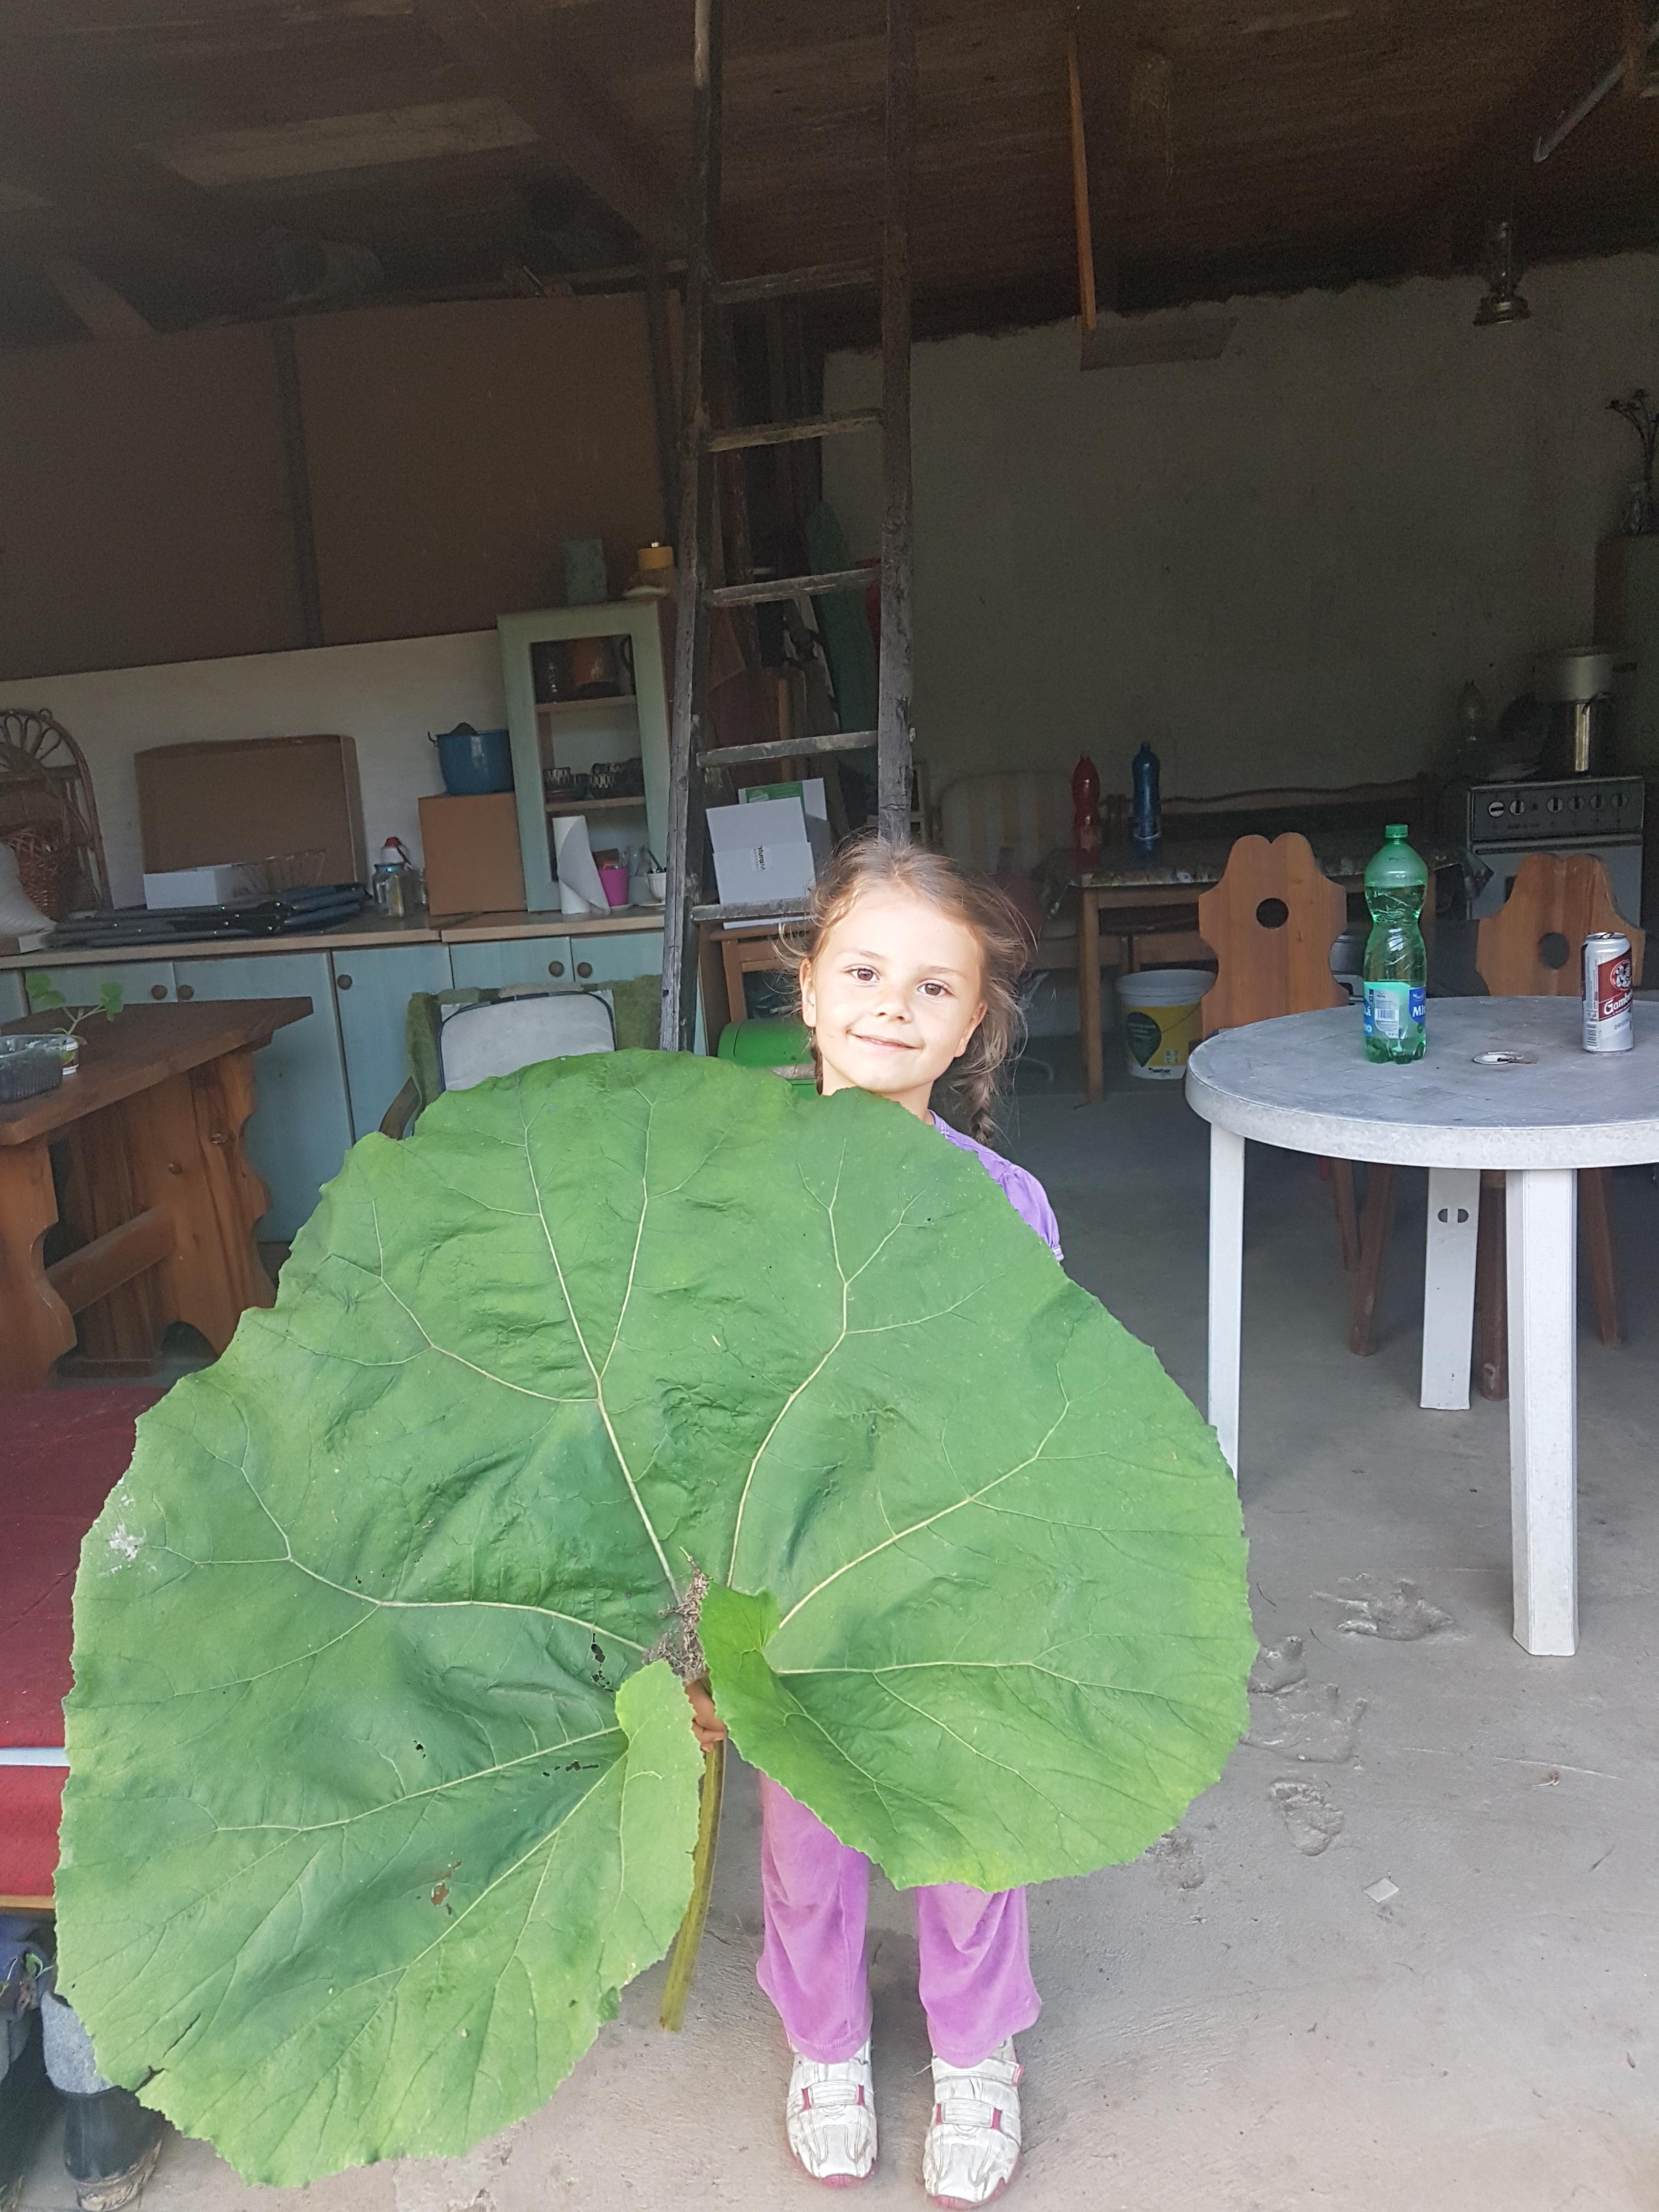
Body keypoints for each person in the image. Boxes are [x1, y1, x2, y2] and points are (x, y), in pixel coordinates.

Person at [686, 836, 1062, 2208]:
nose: (891, 1005)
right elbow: (698, 1411)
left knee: (968, 1821)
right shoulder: (730, 1198)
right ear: (805, 986)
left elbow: (1044, 1413)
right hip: (790, 1584)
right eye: (862, 969)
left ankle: (976, 2053)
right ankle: (825, 2041)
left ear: (972, 1022)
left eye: (932, 985)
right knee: (808, 1833)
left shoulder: (1008, 1207)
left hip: (948, 1575)